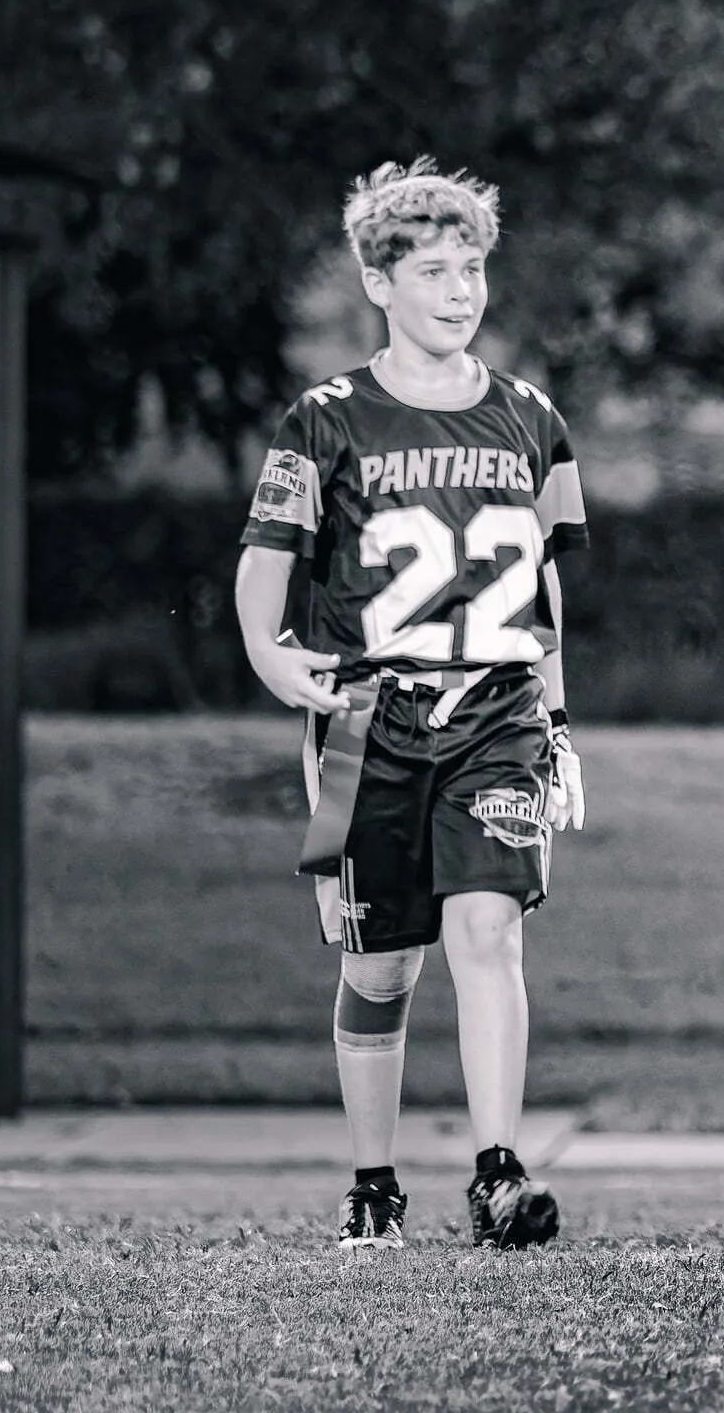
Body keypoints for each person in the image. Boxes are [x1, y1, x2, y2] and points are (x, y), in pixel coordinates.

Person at [235, 158, 588, 1251]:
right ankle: (374, 1180)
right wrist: (268, 653)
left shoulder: (531, 415)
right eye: (432, 270)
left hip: (495, 710)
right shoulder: (325, 419)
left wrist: (561, 723)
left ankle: (496, 1172)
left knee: (487, 929)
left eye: (472, 267)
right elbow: (267, 559)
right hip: (369, 720)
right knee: (381, 962)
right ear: (378, 282)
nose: (458, 290)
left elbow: (545, 580)